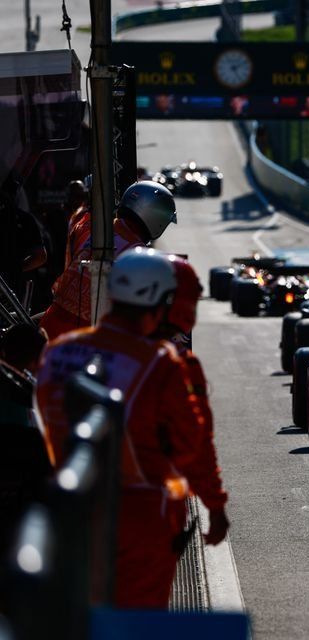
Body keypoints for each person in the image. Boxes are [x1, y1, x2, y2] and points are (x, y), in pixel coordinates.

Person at [35, 248, 220, 608]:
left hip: (65, 507)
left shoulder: (56, 353)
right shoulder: (161, 362)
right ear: (154, 299)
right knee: (138, 621)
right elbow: (190, 445)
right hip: (140, 515)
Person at [150, 254, 229, 547]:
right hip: (149, 507)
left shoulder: (69, 347)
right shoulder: (177, 366)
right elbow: (196, 441)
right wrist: (215, 505)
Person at [39, 180, 177, 340]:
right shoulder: (139, 256)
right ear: (156, 217)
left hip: (50, 326)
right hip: (88, 341)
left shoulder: (87, 226)